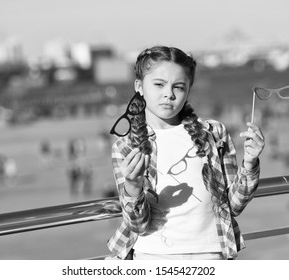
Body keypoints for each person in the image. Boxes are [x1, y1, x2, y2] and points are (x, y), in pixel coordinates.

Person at [106, 46, 265, 260]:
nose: (169, 94)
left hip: (211, 254)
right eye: (159, 84)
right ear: (139, 87)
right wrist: (133, 187)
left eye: (178, 87)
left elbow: (234, 205)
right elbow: (139, 225)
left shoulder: (214, 133)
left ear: (188, 89)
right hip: (153, 257)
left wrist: (250, 163)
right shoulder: (125, 146)